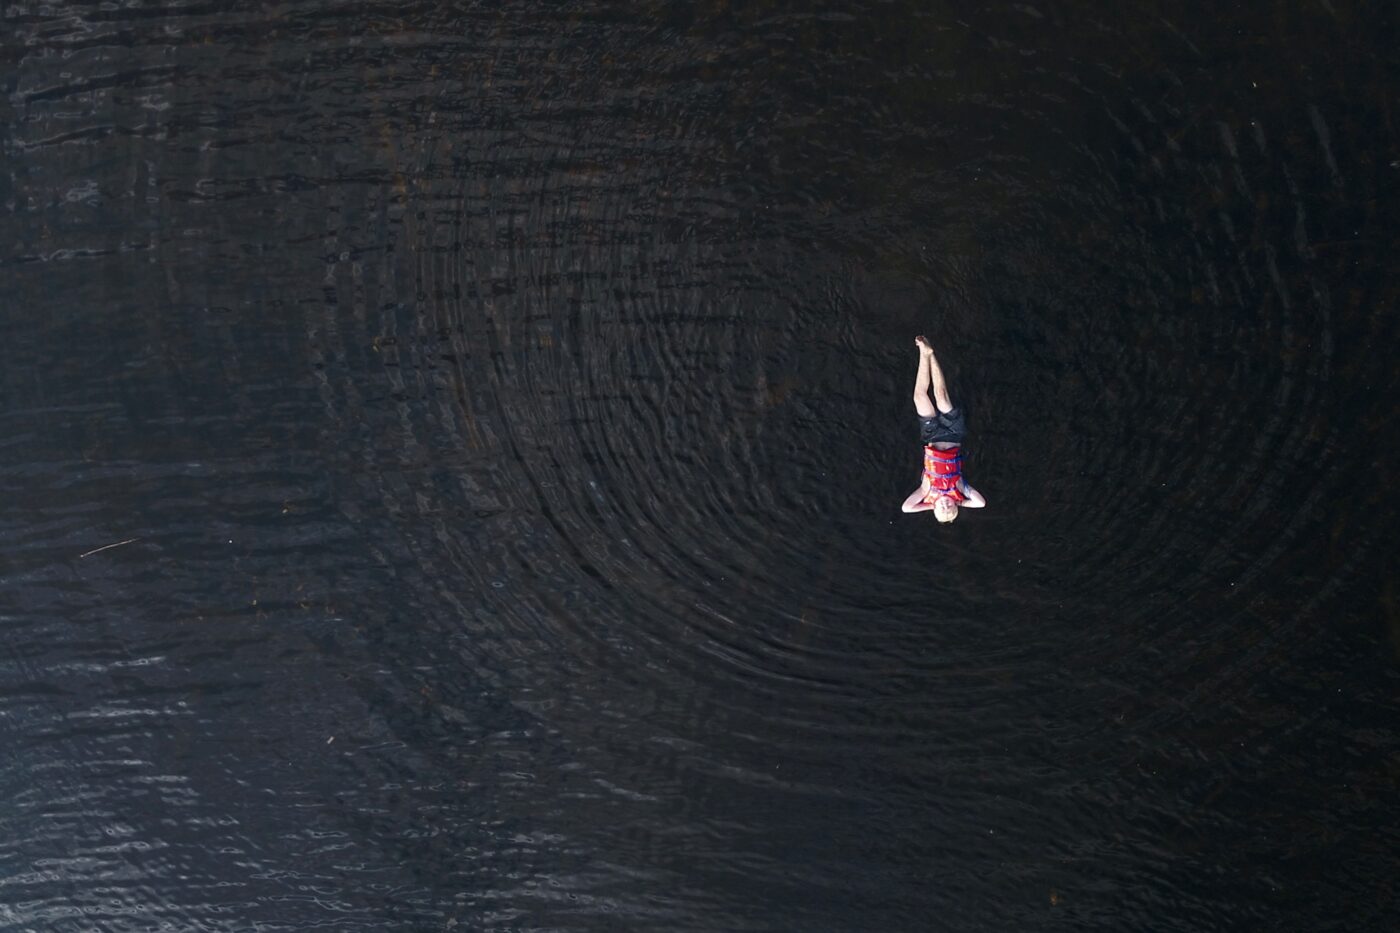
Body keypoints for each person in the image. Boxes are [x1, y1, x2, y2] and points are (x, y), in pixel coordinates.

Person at [901, 335, 986, 522]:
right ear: (955, 503)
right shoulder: (960, 489)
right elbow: (981, 503)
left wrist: (930, 503)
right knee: (941, 396)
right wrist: (961, 502)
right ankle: (933, 356)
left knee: (920, 397)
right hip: (954, 434)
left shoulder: (926, 491)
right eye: (950, 507)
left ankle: (925, 354)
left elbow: (906, 508)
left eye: (941, 507)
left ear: (934, 507)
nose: (945, 504)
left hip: (931, 436)